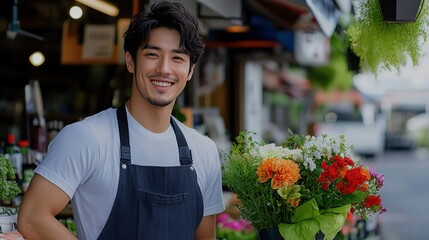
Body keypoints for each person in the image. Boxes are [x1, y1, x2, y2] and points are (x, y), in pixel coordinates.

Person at [17, 1, 225, 239]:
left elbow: (205, 238)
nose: (164, 68)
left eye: (177, 58)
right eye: (152, 54)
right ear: (130, 61)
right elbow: (32, 217)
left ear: (190, 71)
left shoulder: (204, 150)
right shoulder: (86, 138)